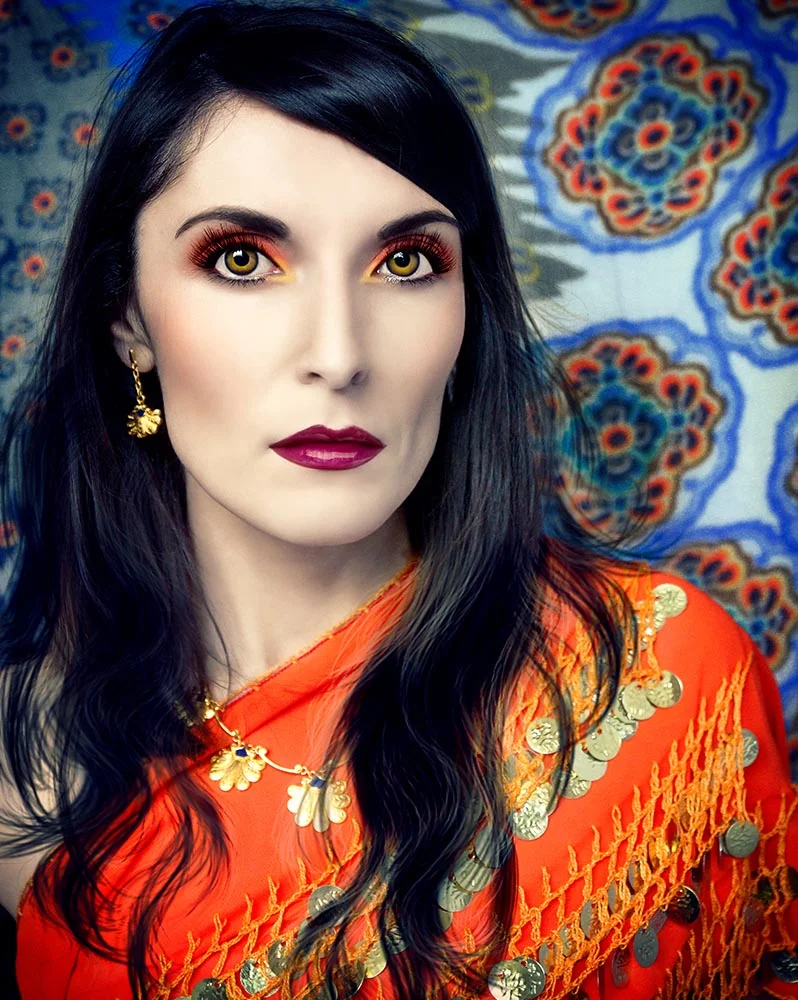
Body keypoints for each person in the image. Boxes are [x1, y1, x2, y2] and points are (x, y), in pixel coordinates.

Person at [0, 2, 795, 998]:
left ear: (466, 314)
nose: (339, 355)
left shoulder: (661, 675)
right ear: (129, 319)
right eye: (243, 259)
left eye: (406, 261)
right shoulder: (22, 756)